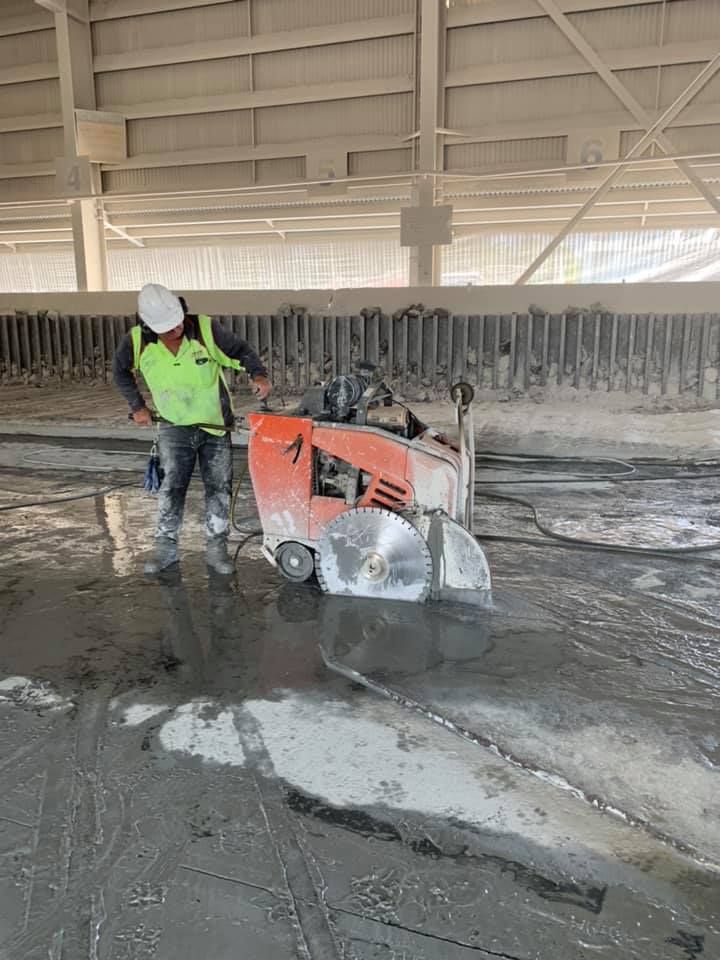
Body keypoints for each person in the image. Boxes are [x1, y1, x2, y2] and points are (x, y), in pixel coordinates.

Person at [113, 283, 271, 576]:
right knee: (172, 487)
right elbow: (120, 372)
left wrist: (258, 375)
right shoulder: (136, 342)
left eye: (177, 323)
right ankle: (166, 549)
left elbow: (240, 351)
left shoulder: (205, 330)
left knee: (219, 488)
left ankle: (216, 549)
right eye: (166, 328)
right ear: (149, 324)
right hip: (173, 427)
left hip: (214, 426)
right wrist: (137, 406)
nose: (175, 330)